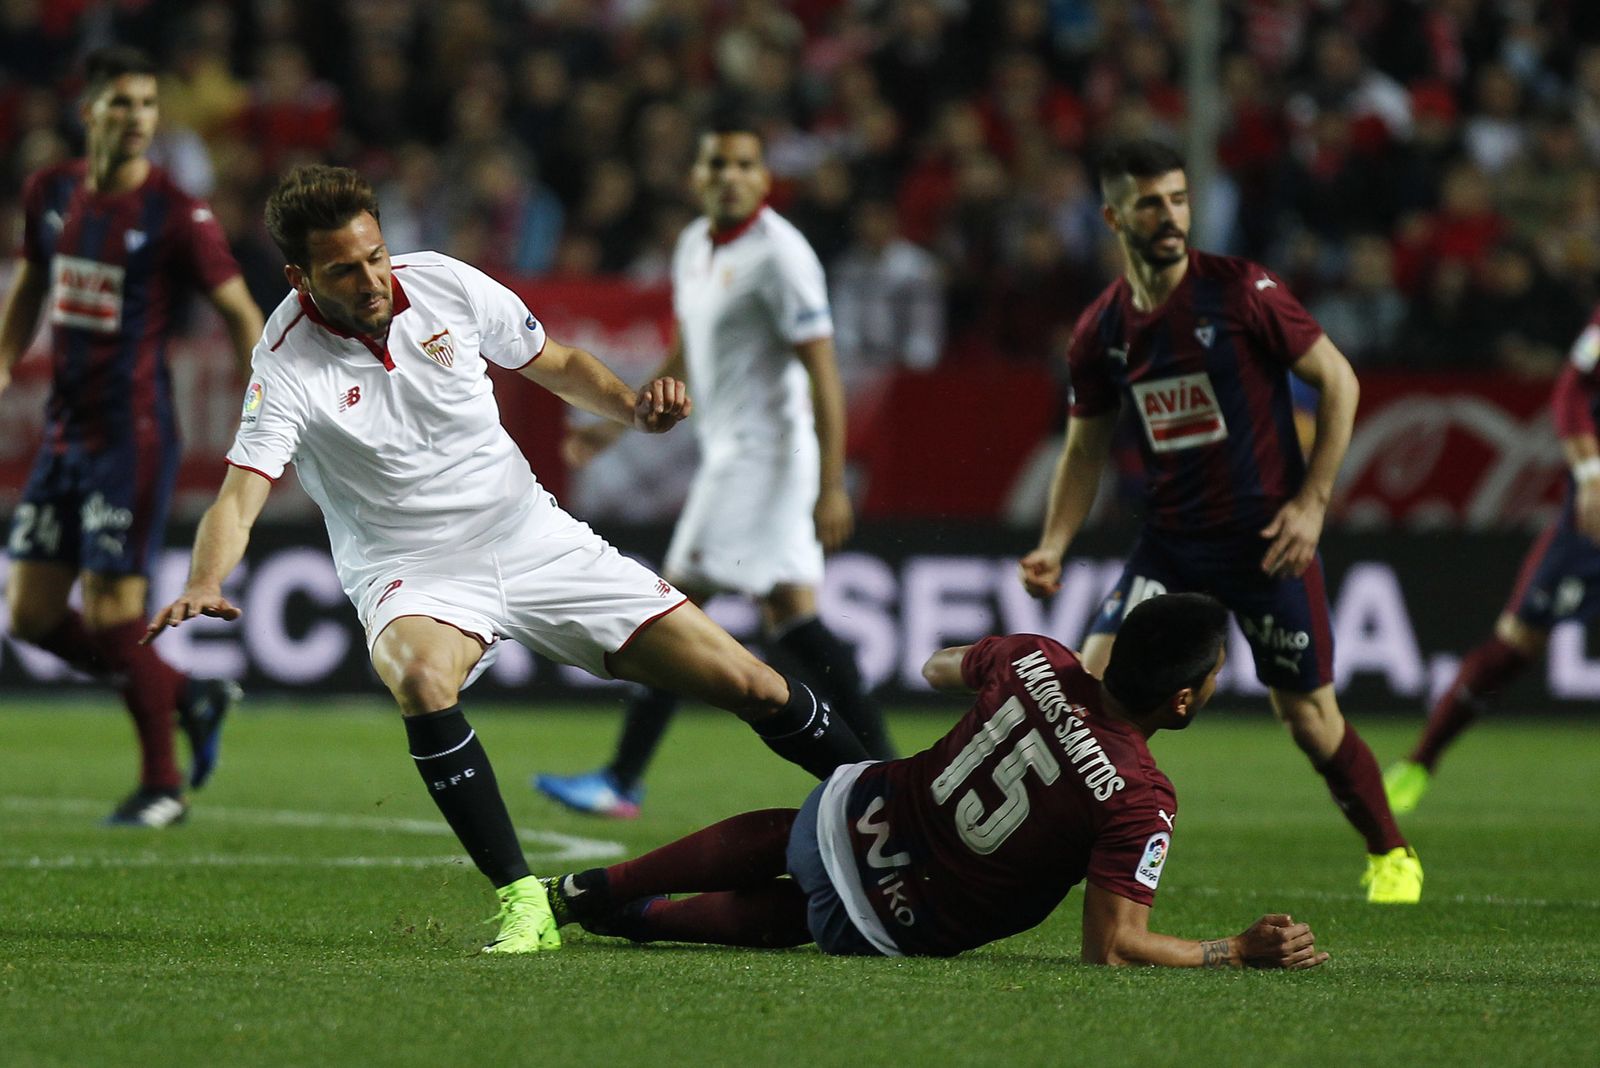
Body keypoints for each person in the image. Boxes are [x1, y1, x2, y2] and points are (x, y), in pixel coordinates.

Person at [143, 164, 869, 955]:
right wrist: (205, 580)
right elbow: (240, 493)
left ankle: (895, 806)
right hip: (409, 569)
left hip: (533, 536)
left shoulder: (448, 284)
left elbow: (553, 362)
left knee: (752, 683)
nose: (371, 279)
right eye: (343, 270)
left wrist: (629, 407)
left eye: (375, 255)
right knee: (421, 678)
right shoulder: (284, 361)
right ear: (299, 276)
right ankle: (524, 902)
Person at [1017, 139, 1422, 904]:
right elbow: (1084, 450)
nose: (1168, 215)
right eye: (1149, 202)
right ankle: (1070, 852)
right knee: (1088, 688)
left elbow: (1339, 380)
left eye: (1177, 198)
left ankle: (1391, 853)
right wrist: (1053, 544)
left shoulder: (1241, 292)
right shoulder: (1101, 330)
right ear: (1112, 215)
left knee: (1306, 719)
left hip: (1267, 541)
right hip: (1169, 544)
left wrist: (1311, 504)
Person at [542, 593, 1329, 971]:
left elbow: (935, 665)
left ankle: (598, 886)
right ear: (1183, 699)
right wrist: (1232, 950)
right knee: (803, 917)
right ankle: (641, 919)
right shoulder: (1140, 796)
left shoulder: (1038, 657)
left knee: (797, 832)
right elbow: (1113, 950)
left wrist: (1002, 682)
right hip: (893, 920)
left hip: (851, 813)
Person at [534, 117, 894, 819]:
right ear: (697, 177)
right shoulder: (696, 245)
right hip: (730, 454)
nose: (729, 176)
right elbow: (687, 347)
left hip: (770, 458)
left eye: (743, 165)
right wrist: (619, 425)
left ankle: (623, 777)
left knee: (672, 607)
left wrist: (830, 483)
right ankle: (883, 775)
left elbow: (824, 371)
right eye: (717, 164)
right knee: (791, 617)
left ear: (763, 178)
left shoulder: (783, 256)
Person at [0, 46, 259, 828]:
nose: (138, 117)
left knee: (115, 612)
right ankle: (185, 692)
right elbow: (31, 285)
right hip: (65, 433)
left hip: (133, 434)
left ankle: (162, 785)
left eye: (148, 104)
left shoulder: (177, 213)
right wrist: (4, 362)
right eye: (122, 103)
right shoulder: (51, 192)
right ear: (90, 112)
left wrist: (263, 413)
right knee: (32, 618)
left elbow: (243, 314)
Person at [1385, 305, 1600, 812]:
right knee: (1516, 642)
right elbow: (1571, 388)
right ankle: (1420, 762)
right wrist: (1590, 472)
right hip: (1590, 526)